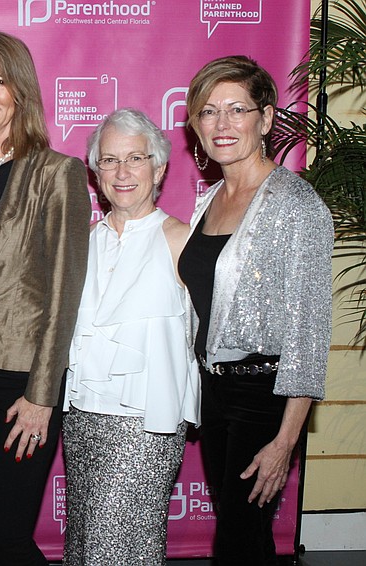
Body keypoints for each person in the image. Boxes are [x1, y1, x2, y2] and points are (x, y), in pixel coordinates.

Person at [178, 55, 333, 565]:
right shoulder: (209, 201)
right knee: (246, 538)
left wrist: (285, 439)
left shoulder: (296, 204)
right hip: (215, 392)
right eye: (208, 111)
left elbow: (309, 332)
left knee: (236, 544)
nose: (222, 124)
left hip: (263, 395)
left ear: (265, 119)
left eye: (237, 110)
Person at [0, 31, 90, 565]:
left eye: (0, 80)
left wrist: (43, 394)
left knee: (7, 535)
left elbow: (63, 291)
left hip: (22, 381)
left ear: (21, 91)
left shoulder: (56, 173)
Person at [62, 108, 200, 565]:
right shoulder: (83, 243)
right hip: (81, 420)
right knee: (85, 545)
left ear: (159, 168)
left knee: (111, 548)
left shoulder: (182, 240)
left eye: (135, 159)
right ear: (95, 171)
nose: (122, 173)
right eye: (109, 160)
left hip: (146, 425)